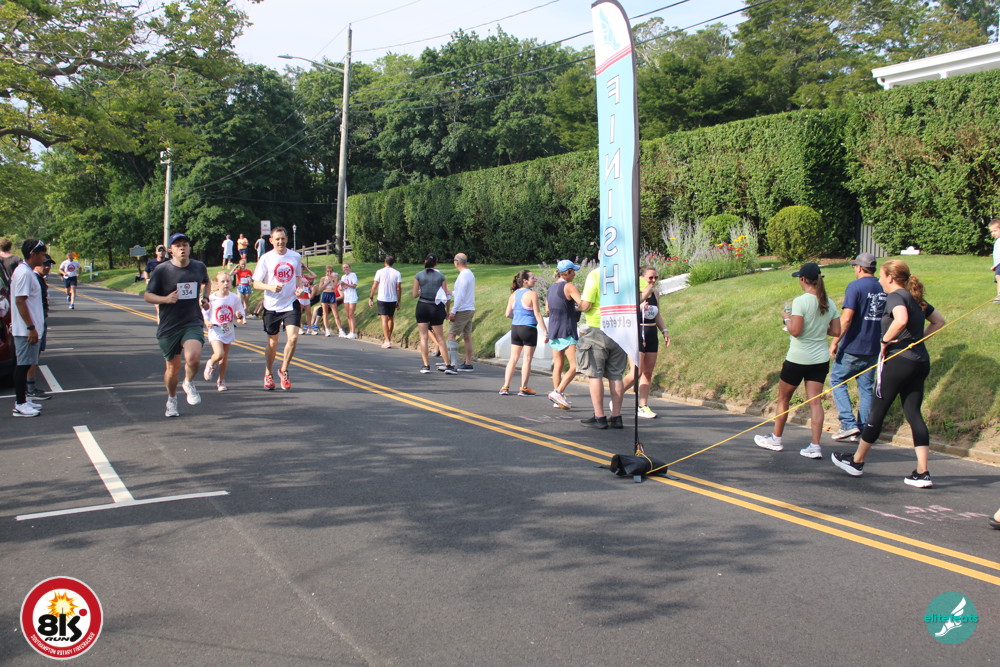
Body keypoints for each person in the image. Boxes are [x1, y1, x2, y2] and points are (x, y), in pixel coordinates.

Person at [831, 260, 946, 487]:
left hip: (897, 362)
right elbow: (939, 321)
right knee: (913, 413)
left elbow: (901, 319)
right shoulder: (916, 298)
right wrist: (918, 340)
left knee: (877, 411)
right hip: (920, 361)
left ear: (890, 278)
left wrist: (884, 340)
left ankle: (857, 461)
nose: (880, 280)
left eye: (882, 276)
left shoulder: (895, 296)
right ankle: (922, 472)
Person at [754, 263, 841, 457]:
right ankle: (815, 446)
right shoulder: (829, 302)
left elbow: (796, 331)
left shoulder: (800, 302)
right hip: (819, 359)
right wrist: (819, 328)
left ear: (803, 279)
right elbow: (836, 331)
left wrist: (786, 318)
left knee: (784, 398)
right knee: (815, 402)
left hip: (798, 358)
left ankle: (776, 439)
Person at [144, 232, 211, 417]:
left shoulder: (198, 267)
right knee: (172, 369)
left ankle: (188, 382)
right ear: (170, 250)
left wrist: (205, 298)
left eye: (185, 244)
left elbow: (207, 282)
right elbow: (147, 296)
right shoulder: (162, 270)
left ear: (189, 248)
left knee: (193, 357)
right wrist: (165, 299)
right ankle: (172, 399)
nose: (182, 248)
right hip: (169, 325)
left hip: (192, 321)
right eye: (177, 245)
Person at [827, 253, 887, 442]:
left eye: (855, 266)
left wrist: (835, 341)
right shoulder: (883, 286)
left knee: (837, 379)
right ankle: (863, 427)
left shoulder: (855, 287)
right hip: (874, 345)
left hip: (854, 345)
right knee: (866, 387)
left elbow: (846, 318)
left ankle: (848, 423)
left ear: (859, 268)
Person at [252, 226, 303, 390]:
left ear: (287, 239)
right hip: (272, 305)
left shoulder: (295, 256)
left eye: (283, 238)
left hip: (291, 302)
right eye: (277, 239)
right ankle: (268, 373)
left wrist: (300, 288)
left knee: (293, 338)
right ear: (271, 241)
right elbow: (256, 283)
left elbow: (298, 277)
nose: (280, 242)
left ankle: (284, 369)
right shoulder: (266, 258)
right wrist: (270, 287)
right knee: (272, 343)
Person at [576, 267, 627, 429]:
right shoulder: (626, 271)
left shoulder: (596, 274)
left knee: (595, 374)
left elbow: (586, 305)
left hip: (598, 327)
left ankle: (600, 416)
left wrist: (578, 306)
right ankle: (616, 416)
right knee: (616, 375)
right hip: (620, 327)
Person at [621, 266, 671, 419]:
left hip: (651, 334)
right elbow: (626, 313)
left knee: (647, 372)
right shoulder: (634, 293)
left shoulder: (655, 293)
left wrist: (664, 330)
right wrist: (640, 306)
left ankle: (643, 406)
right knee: (636, 372)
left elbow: (657, 315)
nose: (653, 280)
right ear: (641, 278)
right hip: (637, 333)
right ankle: (616, 396)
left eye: (656, 277)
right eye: (650, 277)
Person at [10, 239, 48, 417]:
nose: (44, 258)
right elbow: (20, 301)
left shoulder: (27, 271)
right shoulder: (24, 273)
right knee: (23, 366)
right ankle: (20, 404)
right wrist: (30, 327)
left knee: (27, 364)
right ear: (33, 254)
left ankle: (24, 400)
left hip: (30, 328)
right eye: (42, 254)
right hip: (25, 330)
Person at [499, 270, 548, 396]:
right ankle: (524, 388)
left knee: (513, 358)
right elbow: (537, 314)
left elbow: (507, 314)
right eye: (532, 278)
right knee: (527, 359)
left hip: (516, 328)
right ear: (525, 281)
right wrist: (545, 331)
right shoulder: (532, 294)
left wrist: (518, 318)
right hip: (529, 328)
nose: (535, 279)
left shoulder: (514, 294)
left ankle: (505, 386)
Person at [546, 260, 582, 410]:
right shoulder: (569, 287)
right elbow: (582, 304)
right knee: (575, 365)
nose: (575, 274)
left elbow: (547, 309)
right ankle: (558, 392)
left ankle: (557, 398)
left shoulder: (551, 287)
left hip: (554, 329)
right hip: (567, 329)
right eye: (573, 271)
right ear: (567, 272)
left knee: (558, 365)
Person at [202, 270, 246, 391]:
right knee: (219, 354)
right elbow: (205, 312)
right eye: (223, 281)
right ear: (217, 284)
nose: (226, 283)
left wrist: (239, 315)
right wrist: (207, 321)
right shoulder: (212, 298)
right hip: (215, 329)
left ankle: (221, 380)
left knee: (224, 358)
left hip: (228, 329)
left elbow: (240, 311)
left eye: (228, 281)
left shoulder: (234, 298)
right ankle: (211, 363)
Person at [413, 254, 455, 374]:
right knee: (440, 338)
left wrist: (421, 291)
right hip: (436, 307)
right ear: (436, 263)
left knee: (423, 337)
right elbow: (445, 295)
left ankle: (426, 365)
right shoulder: (441, 276)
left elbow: (414, 295)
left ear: (425, 261)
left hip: (422, 306)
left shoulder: (418, 275)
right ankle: (447, 365)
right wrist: (447, 310)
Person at [25, 254, 56, 403]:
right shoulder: (34, 278)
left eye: (49, 265)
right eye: (44, 264)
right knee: (32, 356)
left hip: (40, 319)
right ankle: (29, 389)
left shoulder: (39, 278)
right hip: (35, 322)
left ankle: (31, 387)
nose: (47, 267)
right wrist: (31, 325)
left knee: (35, 355)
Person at [446, 253, 476, 371]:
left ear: (457, 262)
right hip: (469, 308)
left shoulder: (463, 275)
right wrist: (451, 292)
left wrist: (453, 311)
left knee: (451, 335)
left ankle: (452, 364)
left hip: (462, 309)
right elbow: (461, 292)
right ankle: (468, 363)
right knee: (467, 336)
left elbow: (461, 296)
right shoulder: (469, 273)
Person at [369, 255, 402, 348]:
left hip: (382, 298)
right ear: (393, 263)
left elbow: (374, 286)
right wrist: (399, 301)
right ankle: (388, 338)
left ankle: (387, 341)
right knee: (391, 318)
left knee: (384, 319)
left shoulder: (379, 272)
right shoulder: (397, 273)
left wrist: (371, 297)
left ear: (385, 262)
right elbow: (398, 288)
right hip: (393, 298)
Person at [317, 266, 345, 337]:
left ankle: (340, 330)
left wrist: (331, 279)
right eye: (327, 271)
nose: (329, 273)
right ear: (325, 271)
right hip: (325, 294)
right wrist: (327, 282)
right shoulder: (323, 278)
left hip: (332, 294)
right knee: (325, 313)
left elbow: (334, 286)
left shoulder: (335, 277)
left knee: (335, 313)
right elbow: (320, 289)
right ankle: (327, 329)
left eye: (330, 271)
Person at [340, 263, 359, 338]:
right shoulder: (343, 277)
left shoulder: (353, 275)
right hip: (346, 296)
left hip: (352, 296)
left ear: (349, 268)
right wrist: (341, 287)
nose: (345, 268)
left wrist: (345, 284)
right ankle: (351, 331)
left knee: (351, 314)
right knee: (347, 315)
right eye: (344, 267)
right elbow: (342, 287)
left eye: (347, 267)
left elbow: (354, 286)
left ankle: (353, 332)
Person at [297, 266, 318, 335]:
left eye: (302, 268)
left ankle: (310, 328)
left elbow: (314, 276)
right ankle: (299, 328)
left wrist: (306, 269)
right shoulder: (296, 276)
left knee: (308, 312)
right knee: (300, 312)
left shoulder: (305, 276)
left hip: (306, 295)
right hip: (300, 295)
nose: (301, 269)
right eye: (300, 268)